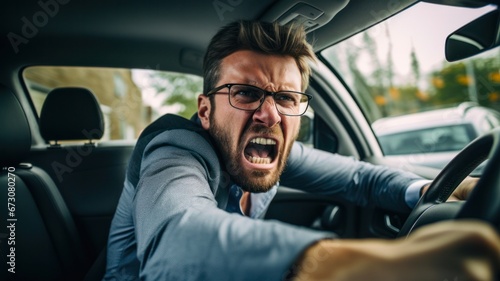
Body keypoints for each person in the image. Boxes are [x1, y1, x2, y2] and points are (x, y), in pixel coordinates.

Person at [104, 21, 499, 280]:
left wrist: (433, 188)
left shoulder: (270, 151)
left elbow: (360, 176)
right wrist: (342, 265)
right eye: (245, 93)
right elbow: (178, 232)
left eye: (287, 99)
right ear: (205, 111)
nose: (269, 115)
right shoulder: (176, 149)